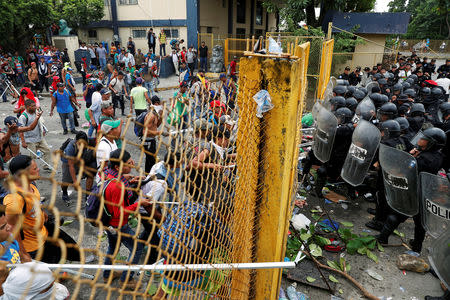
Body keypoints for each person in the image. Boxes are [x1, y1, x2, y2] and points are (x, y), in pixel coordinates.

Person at [376, 128, 446, 253]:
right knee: (420, 223)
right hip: (426, 193)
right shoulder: (438, 155)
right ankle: (417, 247)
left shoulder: (424, 160)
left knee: (397, 214)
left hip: (414, 192)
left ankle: (382, 238)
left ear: (432, 143)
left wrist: (410, 156)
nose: (420, 140)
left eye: (424, 139)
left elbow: (405, 169)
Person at [4, 155, 80, 263]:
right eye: (34, 169)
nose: (38, 169)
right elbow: (12, 228)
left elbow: (36, 203)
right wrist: (23, 254)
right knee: (49, 268)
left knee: (69, 249)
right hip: (34, 246)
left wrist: (42, 214)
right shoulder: (14, 199)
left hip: (45, 230)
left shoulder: (31, 184)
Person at [101, 149, 149, 289]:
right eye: (128, 163)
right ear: (117, 166)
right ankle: (126, 279)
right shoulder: (117, 186)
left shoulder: (108, 174)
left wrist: (128, 179)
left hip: (108, 223)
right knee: (137, 247)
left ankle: (107, 275)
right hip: (118, 224)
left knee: (113, 248)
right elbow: (119, 213)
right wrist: (138, 204)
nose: (132, 164)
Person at [60, 131, 95, 206]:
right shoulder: (71, 147)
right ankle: (64, 192)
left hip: (80, 159)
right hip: (68, 162)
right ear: (76, 141)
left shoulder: (89, 141)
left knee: (90, 173)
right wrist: (75, 181)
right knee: (66, 180)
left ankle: (87, 196)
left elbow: (97, 139)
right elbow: (71, 166)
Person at [18, 100, 51, 170]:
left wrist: (43, 129)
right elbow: (20, 130)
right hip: (30, 140)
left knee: (47, 150)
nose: (35, 107)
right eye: (33, 106)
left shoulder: (36, 112)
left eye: (35, 105)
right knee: (32, 156)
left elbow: (39, 122)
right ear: (27, 107)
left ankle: (46, 166)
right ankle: (32, 169)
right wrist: (23, 141)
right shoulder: (23, 117)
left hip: (39, 137)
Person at [140, 96, 164, 173]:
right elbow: (145, 132)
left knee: (150, 161)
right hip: (148, 141)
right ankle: (149, 176)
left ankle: (149, 175)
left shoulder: (155, 114)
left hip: (152, 140)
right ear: (157, 103)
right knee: (151, 161)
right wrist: (157, 133)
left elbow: (156, 126)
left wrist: (161, 116)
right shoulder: (151, 115)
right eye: (161, 104)